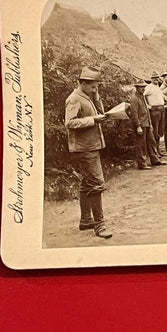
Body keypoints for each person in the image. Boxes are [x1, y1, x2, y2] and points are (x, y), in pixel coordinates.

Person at [64, 66, 112, 239]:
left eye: (97, 86)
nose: (95, 88)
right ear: (82, 83)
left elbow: (100, 113)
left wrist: (96, 97)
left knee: (87, 183)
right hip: (84, 148)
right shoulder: (74, 99)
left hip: (91, 145)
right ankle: (99, 225)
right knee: (97, 184)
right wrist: (93, 120)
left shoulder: (87, 96)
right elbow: (70, 123)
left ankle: (85, 220)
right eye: (93, 86)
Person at [129, 79, 166, 168]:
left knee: (151, 141)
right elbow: (134, 113)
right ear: (136, 88)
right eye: (141, 87)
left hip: (147, 123)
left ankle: (155, 160)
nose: (143, 89)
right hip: (141, 124)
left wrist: (150, 124)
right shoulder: (134, 98)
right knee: (141, 144)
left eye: (144, 87)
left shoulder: (142, 97)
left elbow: (146, 112)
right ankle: (142, 164)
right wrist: (138, 126)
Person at [144, 70, 165, 154]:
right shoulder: (149, 87)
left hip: (161, 109)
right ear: (151, 79)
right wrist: (147, 105)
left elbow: (160, 95)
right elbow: (142, 96)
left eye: (157, 78)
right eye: (154, 78)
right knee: (155, 131)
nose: (156, 79)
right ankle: (155, 151)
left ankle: (158, 150)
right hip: (154, 111)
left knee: (160, 130)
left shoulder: (157, 87)